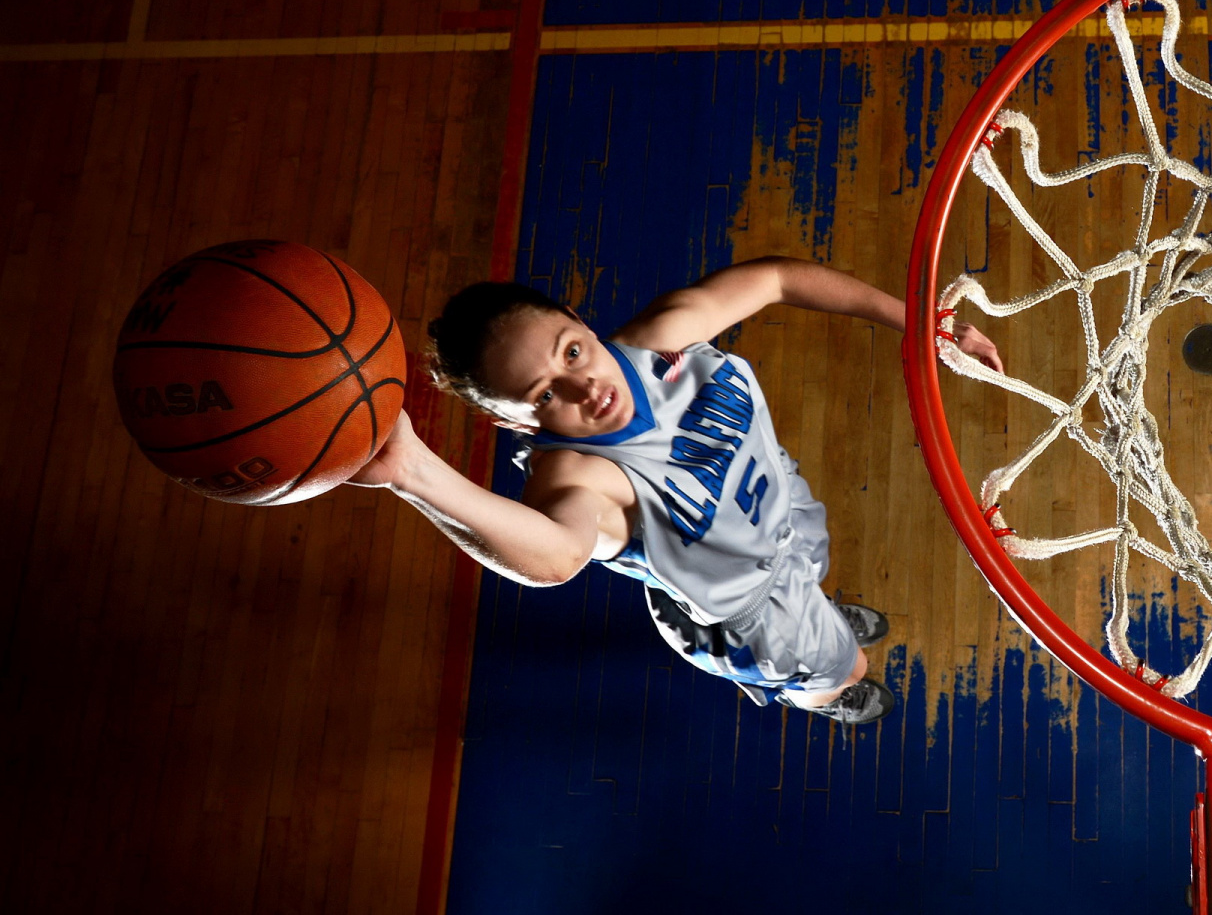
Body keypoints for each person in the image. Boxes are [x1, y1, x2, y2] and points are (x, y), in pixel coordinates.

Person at [348, 256, 1002, 724]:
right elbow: (556, 556)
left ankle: (822, 618)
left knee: (815, 564)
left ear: (577, 319)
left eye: (571, 351)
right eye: (543, 394)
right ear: (512, 422)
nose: (583, 388)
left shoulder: (661, 340)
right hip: (750, 614)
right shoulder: (578, 476)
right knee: (843, 668)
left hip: (781, 513)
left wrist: (925, 326)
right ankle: (825, 696)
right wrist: (414, 473)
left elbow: (778, 279)